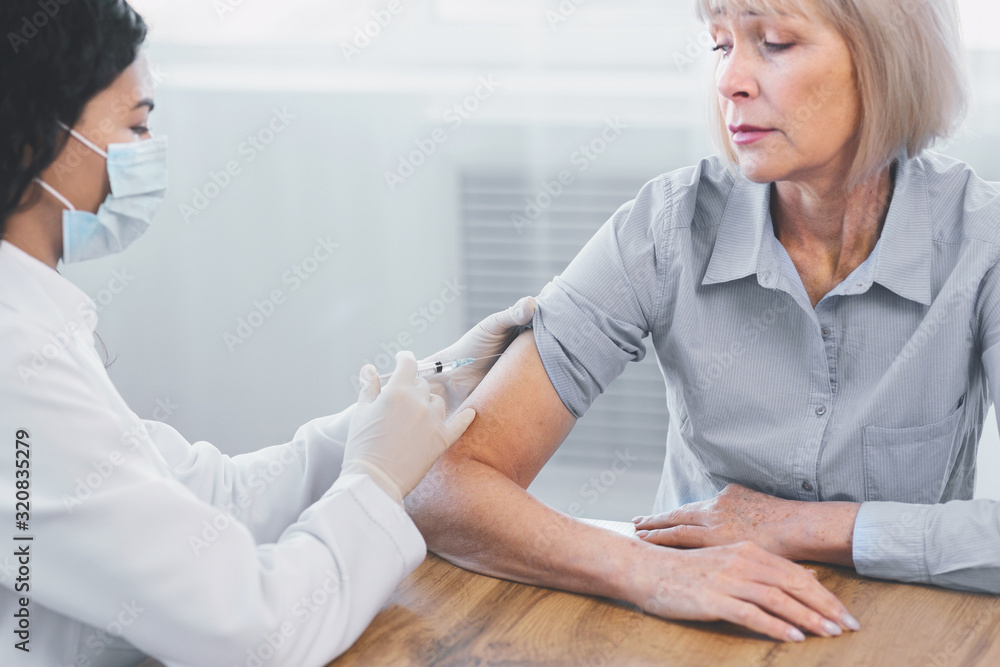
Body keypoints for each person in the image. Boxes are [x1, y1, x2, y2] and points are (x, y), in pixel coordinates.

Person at [407, 0, 999, 645]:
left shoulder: (982, 242)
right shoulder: (667, 227)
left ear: (886, 61)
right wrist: (646, 572)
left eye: (774, 43)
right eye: (721, 47)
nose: (729, 82)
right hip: (691, 630)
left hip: (907, 634)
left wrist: (799, 525)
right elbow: (443, 485)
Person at [0, 1, 535, 665]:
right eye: (136, 127)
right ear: (33, 141)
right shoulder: (15, 363)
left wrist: (438, 380)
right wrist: (372, 480)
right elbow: (254, 631)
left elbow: (208, 494)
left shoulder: (31, 325)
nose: (148, 154)